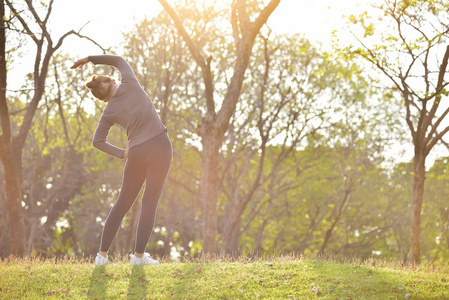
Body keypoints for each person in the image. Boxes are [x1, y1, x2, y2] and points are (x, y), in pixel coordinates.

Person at [71, 55, 172, 266]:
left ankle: (101, 256)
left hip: (135, 152)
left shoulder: (109, 111)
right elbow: (118, 60)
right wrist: (89, 59)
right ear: (114, 81)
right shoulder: (130, 82)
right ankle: (138, 257)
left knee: (121, 204)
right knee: (149, 202)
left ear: (103, 100)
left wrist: (122, 153)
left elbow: (97, 141)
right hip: (160, 147)